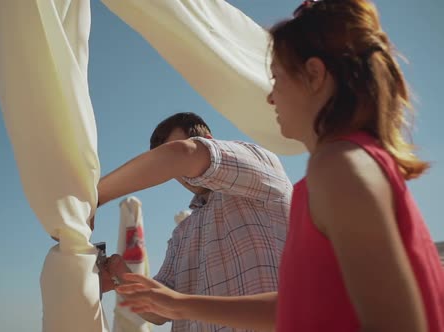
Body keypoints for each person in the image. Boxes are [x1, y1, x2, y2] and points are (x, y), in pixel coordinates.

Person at [114, 1, 444, 331]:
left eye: (277, 78)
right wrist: (160, 296)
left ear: (314, 75)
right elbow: (295, 307)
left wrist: (95, 194)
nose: (271, 97)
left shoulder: (336, 166)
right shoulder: (336, 170)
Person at [97, 112, 293, 331]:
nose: (177, 173)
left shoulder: (261, 166)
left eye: (170, 164)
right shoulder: (182, 232)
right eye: (171, 171)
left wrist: (92, 198)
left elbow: (181, 154)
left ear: (208, 141)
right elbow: (157, 312)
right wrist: (117, 273)